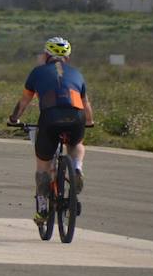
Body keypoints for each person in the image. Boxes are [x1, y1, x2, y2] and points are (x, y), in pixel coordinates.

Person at [8, 36, 94, 224]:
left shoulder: (37, 73)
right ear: (68, 58)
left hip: (50, 117)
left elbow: (24, 101)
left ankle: (43, 209)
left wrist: (14, 119)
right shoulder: (77, 74)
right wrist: (90, 122)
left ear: (47, 55)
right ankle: (77, 167)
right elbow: (86, 104)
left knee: (42, 166)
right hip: (76, 116)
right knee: (76, 143)